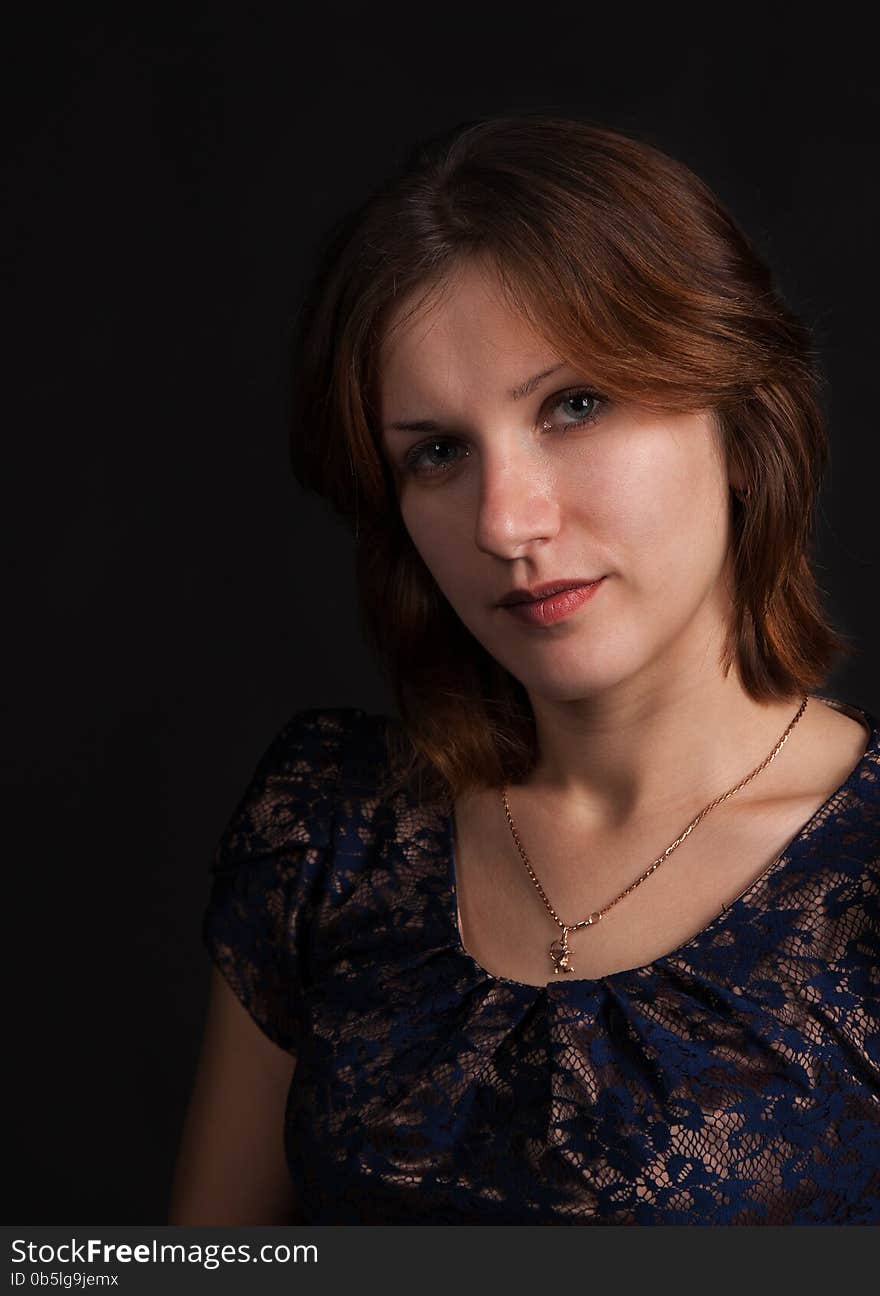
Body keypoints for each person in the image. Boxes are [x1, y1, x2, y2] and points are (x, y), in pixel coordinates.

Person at [168, 113, 880, 1225]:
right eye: (437, 453)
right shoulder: (332, 830)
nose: (505, 522)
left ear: (741, 427)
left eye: (575, 405)